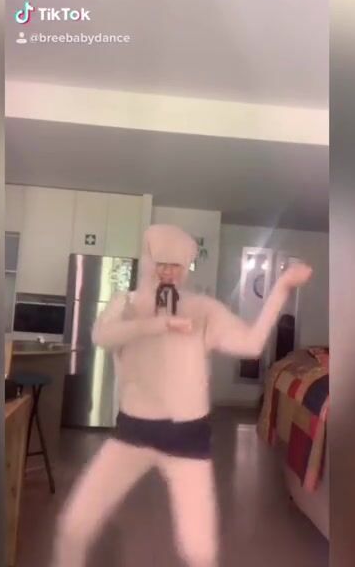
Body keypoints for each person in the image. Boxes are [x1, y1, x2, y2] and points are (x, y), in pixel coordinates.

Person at [53, 224, 312, 567]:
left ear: (187, 267)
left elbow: (251, 345)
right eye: (160, 263)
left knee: (199, 552)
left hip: (187, 438)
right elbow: (103, 336)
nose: (168, 272)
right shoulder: (125, 304)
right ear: (148, 261)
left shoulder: (202, 309)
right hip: (132, 432)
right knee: (74, 526)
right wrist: (159, 324)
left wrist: (281, 288)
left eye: (176, 265)